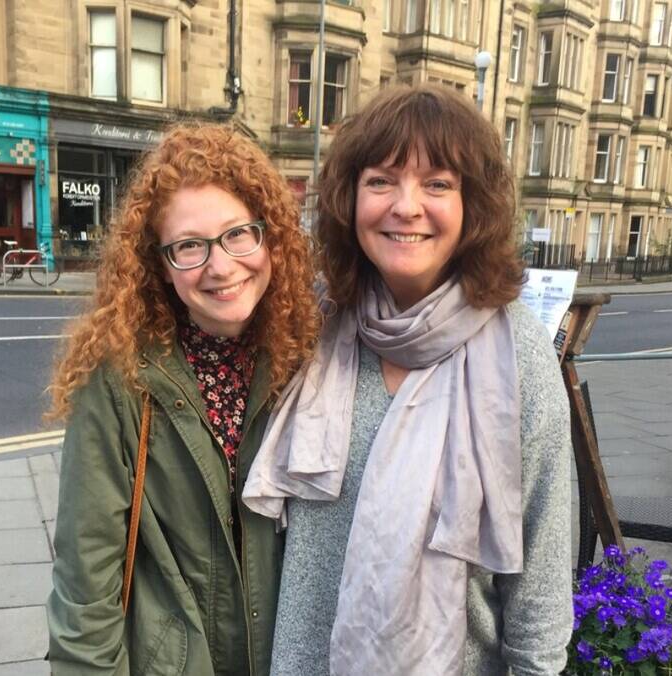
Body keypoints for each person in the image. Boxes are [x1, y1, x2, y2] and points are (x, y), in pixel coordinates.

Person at [243, 84, 574, 675]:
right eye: (382, 180)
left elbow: (542, 569)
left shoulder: (517, 353)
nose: (406, 205)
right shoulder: (314, 329)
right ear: (351, 198)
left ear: (474, 205)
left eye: (438, 183)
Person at [46, 123, 319, 675]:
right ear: (161, 266)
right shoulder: (120, 377)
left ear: (271, 238)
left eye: (239, 234)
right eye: (190, 246)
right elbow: (86, 585)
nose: (220, 266)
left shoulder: (307, 355)